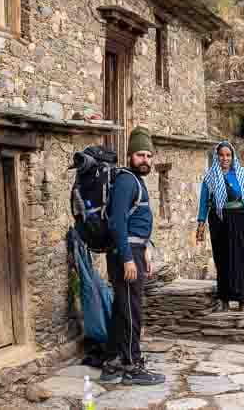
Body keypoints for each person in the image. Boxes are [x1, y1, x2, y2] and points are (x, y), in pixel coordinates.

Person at [100, 126, 165, 386]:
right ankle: (131, 365)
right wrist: (128, 258)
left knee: (121, 307)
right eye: (140, 155)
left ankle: (113, 361)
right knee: (131, 309)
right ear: (130, 156)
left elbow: (136, 221)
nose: (145, 161)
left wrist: (145, 250)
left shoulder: (136, 181)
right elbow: (117, 222)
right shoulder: (127, 181)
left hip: (135, 250)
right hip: (125, 253)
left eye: (149, 156)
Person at [196, 141, 244, 312]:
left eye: (228, 155)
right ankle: (224, 298)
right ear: (217, 156)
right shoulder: (210, 177)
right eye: (222, 155)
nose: (225, 158)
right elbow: (203, 202)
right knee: (223, 259)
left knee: (242, 258)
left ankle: (242, 299)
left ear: (233, 157)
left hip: (240, 219)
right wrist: (201, 225)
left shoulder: (241, 174)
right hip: (219, 220)